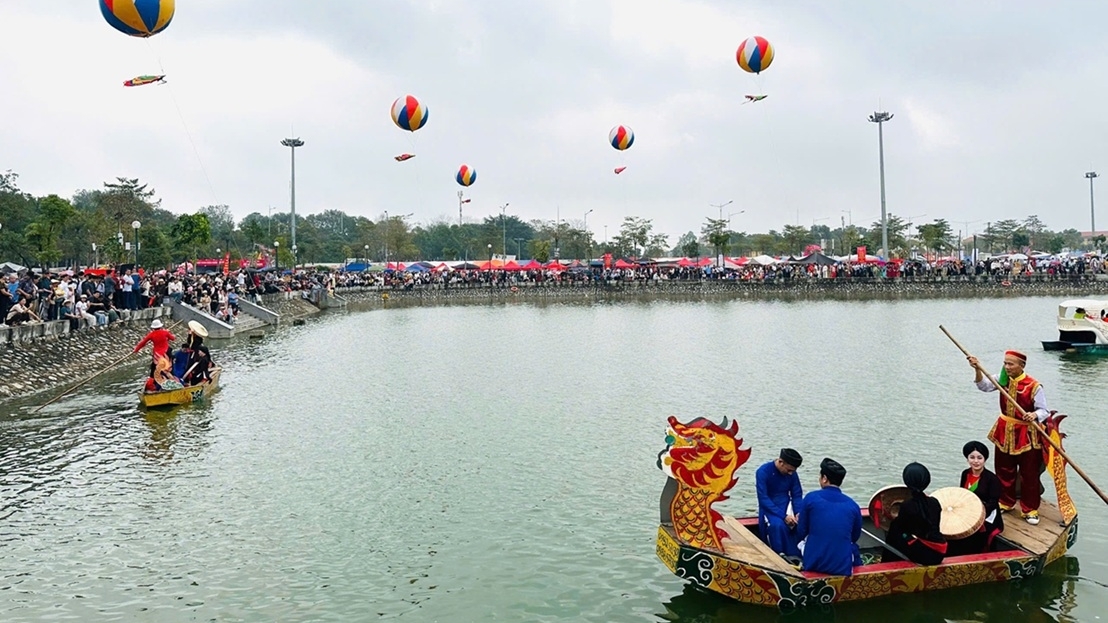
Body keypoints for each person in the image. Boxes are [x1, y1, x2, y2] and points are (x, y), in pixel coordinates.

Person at [967, 351, 1048, 525]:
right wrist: (977, 369)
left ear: (1022, 366)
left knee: (1029, 473)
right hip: (1004, 430)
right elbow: (984, 386)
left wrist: (1034, 415)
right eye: (1005, 363)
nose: (1007, 367)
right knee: (1004, 469)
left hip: (1026, 434)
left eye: (1011, 364)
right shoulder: (1002, 379)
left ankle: (1030, 509)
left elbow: (1044, 411)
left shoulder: (1033, 386)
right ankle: (1006, 501)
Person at [795, 458, 862, 576]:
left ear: (824, 478)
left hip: (814, 563)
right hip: (842, 567)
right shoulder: (853, 505)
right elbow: (854, 537)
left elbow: (801, 532)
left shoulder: (811, 498)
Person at [884, 462, 946, 565]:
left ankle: (887, 562)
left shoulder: (907, 506)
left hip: (925, 555)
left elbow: (903, 531)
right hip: (940, 551)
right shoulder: (934, 502)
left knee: (895, 528)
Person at [948, 441, 1004, 555]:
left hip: (986, 514)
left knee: (975, 535)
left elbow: (993, 502)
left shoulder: (992, 479)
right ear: (967, 459)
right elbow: (962, 494)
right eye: (972, 457)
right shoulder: (965, 474)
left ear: (985, 459)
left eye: (979, 458)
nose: (976, 461)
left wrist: (977, 513)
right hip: (967, 511)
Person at [756, 448, 805, 558]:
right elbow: (763, 498)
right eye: (789, 470)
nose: (791, 473)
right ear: (781, 462)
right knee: (778, 526)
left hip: (786, 504)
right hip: (769, 507)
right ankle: (780, 555)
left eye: (793, 471)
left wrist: (798, 512)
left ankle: (798, 554)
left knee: (801, 523)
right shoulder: (763, 472)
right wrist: (783, 516)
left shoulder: (792, 474)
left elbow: (797, 494)